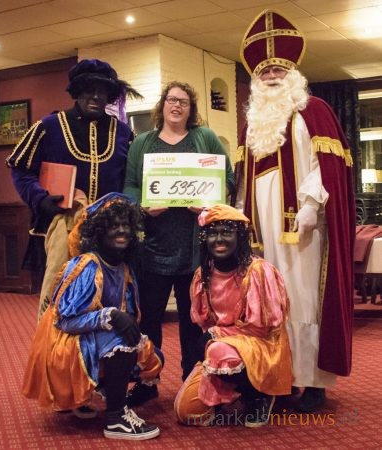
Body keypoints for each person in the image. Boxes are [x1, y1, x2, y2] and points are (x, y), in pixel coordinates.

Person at [235, 9, 355, 412]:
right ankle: (282, 379)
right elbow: (243, 178)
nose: (272, 76)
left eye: (278, 69)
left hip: (304, 225)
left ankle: (314, 381)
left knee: (304, 299)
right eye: (264, 71)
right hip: (262, 228)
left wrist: (310, 204)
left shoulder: (314, 110)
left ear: (293, 73)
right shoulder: (251, 124)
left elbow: (326, 167)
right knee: (271, 302)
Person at [123, 81, 235, 404]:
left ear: (191, 108)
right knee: (149, 319)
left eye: (183, 102)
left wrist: (210, 201)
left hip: (194, 248)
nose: (176, 106)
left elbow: (227, 178)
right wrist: (143, 206)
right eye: (171, 100)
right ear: (163, 105)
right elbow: (130, 186)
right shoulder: (142, 143)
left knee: (193, 320)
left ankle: (192, 380)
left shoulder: (205, 138)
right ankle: (148, 381)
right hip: (152, 248)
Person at [6, 58, 142, 320]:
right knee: (62, 295)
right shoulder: (48, 126)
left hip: (111, 234)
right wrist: (40, 199)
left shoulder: (124, 133)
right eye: (89, 89)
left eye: (102, 91)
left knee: (108, 297)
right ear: (77, 91)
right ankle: (56, 343)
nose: (96, 96)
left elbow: (133, 178)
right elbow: (20, 169)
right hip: (62, 227)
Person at [21, 193, 162, 441]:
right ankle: (116, 419)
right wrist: (111, 315)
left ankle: (98, 392)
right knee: (123, 342)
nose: (122, 230)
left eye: (125, 225)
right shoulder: (88, 265)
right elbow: (64, 321)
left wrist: (121, 322)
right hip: (62, 342)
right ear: (98, 232)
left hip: (89, 336)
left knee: (149, 351)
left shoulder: (123, 267)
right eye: (113, 226)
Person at [174, 204, 292, 428]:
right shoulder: (203, 274)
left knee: (218, 351)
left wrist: (215, 335)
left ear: (240, 237)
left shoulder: (258, 271)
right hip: (220, 349)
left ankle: (258, 395)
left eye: (227, 233)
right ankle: (231, 387)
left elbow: (263, 328)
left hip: (261, 347)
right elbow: (203, 322)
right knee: (187, 412)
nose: (219, 239)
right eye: (213, 234)